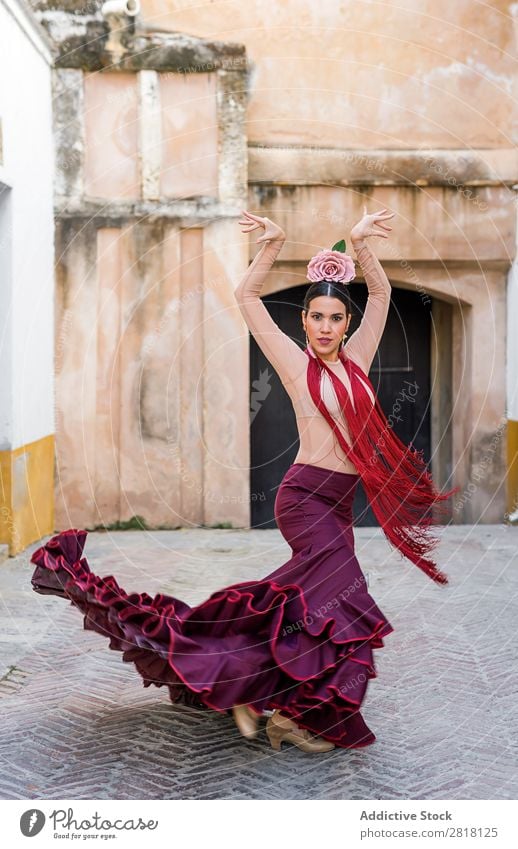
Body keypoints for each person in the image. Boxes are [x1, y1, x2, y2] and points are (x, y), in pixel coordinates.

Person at [30, 205, 456, 754]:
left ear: (346, 326)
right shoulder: (293, 360)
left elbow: (379, 295)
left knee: (309, 604)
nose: (326, 327)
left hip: (338, 503)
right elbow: (248, 299)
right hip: (304, 498)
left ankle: (252, 690)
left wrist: (358, 242)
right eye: (316, 318)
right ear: (303, 322)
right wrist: (272, 245)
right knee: (340, 601)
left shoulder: (359, 359)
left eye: (335, 319)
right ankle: (270, 700)